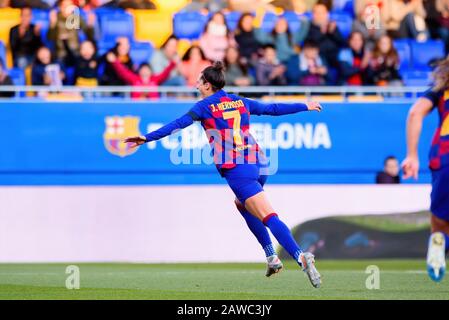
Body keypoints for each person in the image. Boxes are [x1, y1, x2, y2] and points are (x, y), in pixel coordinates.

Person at [124, 61, 323, 288]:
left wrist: (147, 138)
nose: (197, 85)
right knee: (242, 204)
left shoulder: (203, 106)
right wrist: (304, 105)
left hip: (237, 168)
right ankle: (271, 256)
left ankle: (300, 256)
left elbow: (176, 125)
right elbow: (273, 109)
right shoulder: (239, 101)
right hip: (259, 162)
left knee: (268, 215)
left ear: (208, 85)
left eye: (200, 81)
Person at [402, 57, 449, 282]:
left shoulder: (441, 89)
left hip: (443, 154)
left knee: (440, 221)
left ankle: (439, 241)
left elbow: (414, 113)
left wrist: (412, 155)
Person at [107, 52, 176, 99]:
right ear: (139, 71)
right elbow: (123, 72)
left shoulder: (155, 79)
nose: (145, 71)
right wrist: (115, 61)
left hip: (153, 107)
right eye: (143, 69)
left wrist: (173, 63)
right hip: (137, 108)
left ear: (150, 71)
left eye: (147, 69)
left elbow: (165, 73)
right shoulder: (134, 79)